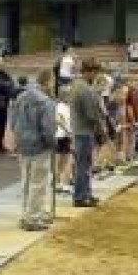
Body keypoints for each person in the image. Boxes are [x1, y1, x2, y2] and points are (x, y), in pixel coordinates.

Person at [10, 69, 56, 230]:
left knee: (27, 181)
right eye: (53, 81)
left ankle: (28, 214)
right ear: (48, 81)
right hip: (39, 147)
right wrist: (53, 144)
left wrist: (18, 138)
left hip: (22, 145)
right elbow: (48, 129)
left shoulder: (21, 97)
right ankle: (33, 217)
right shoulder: (47, 102)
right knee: (39, 183)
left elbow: (13, 121)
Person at [70, 62, 106, 207]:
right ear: (88, 72)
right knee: (83, 166)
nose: (96, 76)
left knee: (84, 165)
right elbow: (91, 115)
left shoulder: (78, 86)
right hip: (84, 132)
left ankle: (85, 194)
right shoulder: (84, 89)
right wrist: (100, 130)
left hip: (80, 130)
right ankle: (80, 197)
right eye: (95, 72)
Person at [54, 84, 75, 194]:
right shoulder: (61, 107)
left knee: (62, 162)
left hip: (62, 136)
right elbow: (59, 120)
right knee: (66, 161)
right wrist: (68, 131)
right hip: (62, 136)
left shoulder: (65, 106)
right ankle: (63, 184)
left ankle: (59, 184)